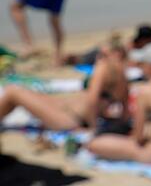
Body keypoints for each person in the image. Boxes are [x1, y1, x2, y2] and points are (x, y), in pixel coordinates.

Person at [87, 43, 151, 163]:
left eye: (143, 64)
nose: (140, 67)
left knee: (95, 144)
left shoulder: (145, 91)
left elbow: (138, 137)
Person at [0, 39, 129, 132]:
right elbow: (124, 110)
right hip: (69, 112)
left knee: (13, 92)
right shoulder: (123, 77)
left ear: (117, 54)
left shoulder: (104, 67)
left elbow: (92, 99)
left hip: (69, 119)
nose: (99, 58)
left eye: (103, 55)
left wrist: (92, 128)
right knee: (26, 93)